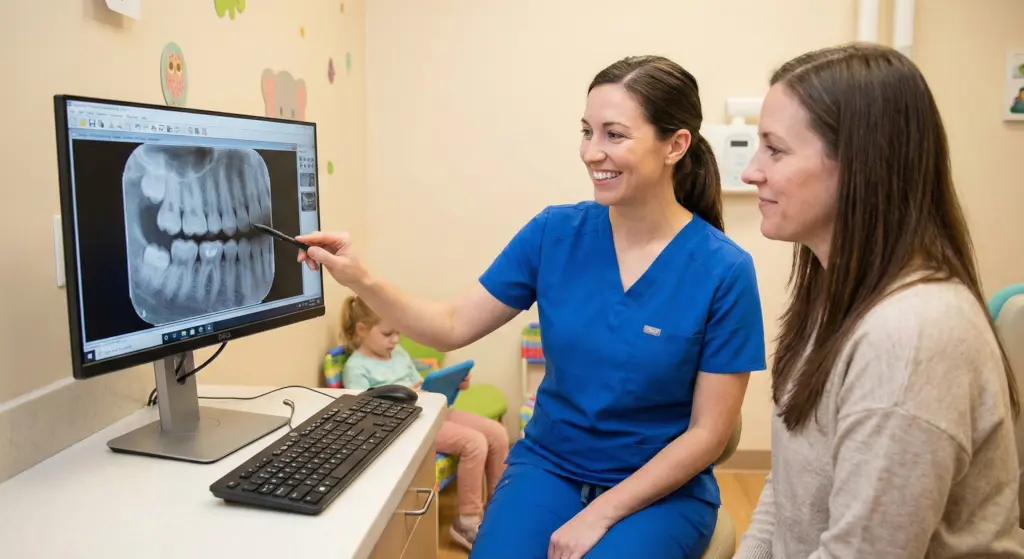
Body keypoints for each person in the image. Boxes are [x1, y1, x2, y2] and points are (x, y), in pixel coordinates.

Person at [298, 55, 766, 558]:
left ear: (675, 145)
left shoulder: (723, 271)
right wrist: (360, 278)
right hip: (551, 466)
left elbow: (709, 434)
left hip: (660, 491)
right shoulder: (555, 233)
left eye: (614, 135)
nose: (591, 152)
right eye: (586, 132)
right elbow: (451, 325)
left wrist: (602, 513)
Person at [735, 42, 1024, 558]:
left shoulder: (912, 335)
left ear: (859, 164)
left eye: (775, 149)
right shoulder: (837, 292)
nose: (750, 171)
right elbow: (790, 486)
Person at [335, 295, 509, 550]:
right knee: (475, 443)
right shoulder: (356, 368)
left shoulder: (398, 353)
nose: (395, 340)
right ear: (362, 330)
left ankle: (499, 512)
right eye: (387, 334)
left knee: (497, 433)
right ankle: (468, 523)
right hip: (408, 426)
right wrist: (413, 394)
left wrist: (450, 383)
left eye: (397, 333)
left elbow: (420, 385)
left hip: (432, 411)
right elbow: (364, 413)